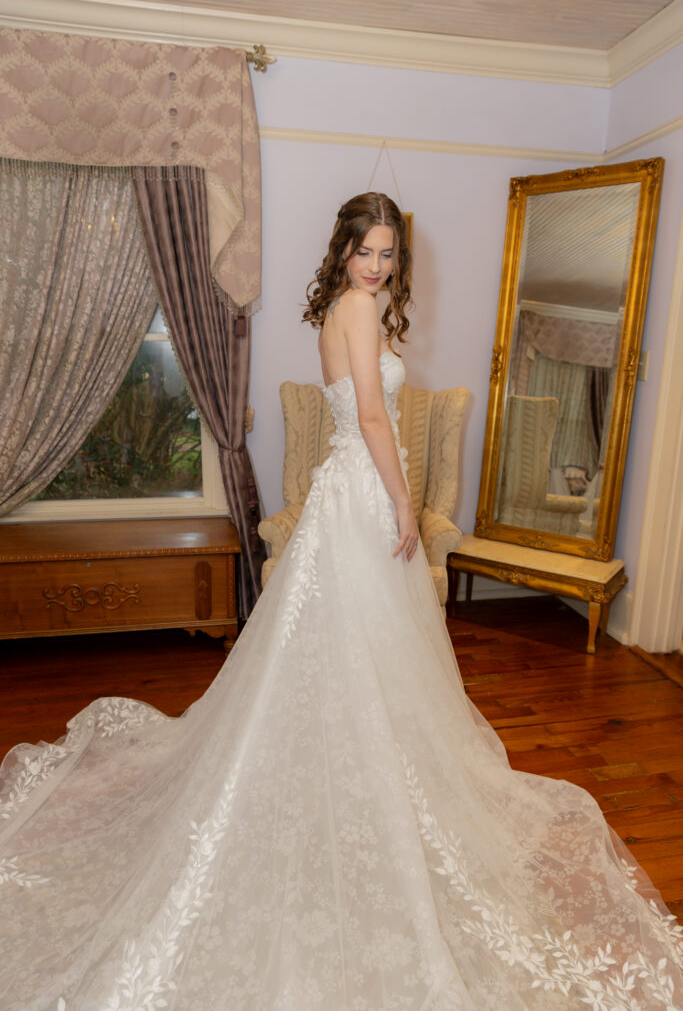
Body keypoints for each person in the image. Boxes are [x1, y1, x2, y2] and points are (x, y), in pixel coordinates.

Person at [0, 192, 681, 1011]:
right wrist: (402, 504)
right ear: (344, 249)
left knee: (348, 643)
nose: (378, 266)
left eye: (389, 254)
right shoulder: (357, 309)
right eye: (367, 251)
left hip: (344, 490)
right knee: (365, 639)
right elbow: (370, 418)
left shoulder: (339, 308)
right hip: (362, 492)